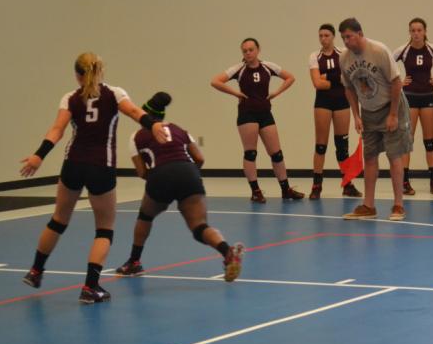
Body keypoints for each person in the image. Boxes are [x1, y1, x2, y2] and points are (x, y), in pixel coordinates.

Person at [20, 52, 167, 304]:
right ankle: (90, 286)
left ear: (77, 75)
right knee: (104, 228)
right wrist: (152, 124)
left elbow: (57, 130)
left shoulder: (70, 98)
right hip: (101, 166)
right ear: (101, 71)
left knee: (58, 220)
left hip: (73, 164)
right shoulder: (115, 93)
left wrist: (38, 155)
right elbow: (134, 112)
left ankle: (35, 271)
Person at [116, 92, 244, 280]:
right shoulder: (179, 130)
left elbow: (142, 172)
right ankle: (227, 251)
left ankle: (134, 262)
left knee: (145, 216)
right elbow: (199, 158)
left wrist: (159, 182)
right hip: (188, 173)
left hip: (161, 175)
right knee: (199, 226)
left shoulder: (136, 136)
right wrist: (188, 175)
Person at [211, 38, 304, 202]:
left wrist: (276, 93)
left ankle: (286, 189)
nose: (248, 53)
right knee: (251, 153)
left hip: (265, 113)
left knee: (276, 153)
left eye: (251, 50)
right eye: (245, 51)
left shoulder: (267, 66)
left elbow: (290, 77)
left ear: (258, 50)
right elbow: (215, 81)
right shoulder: (238, 69)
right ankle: (256, 191)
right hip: (247, 114)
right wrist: (235, 93)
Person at [338, 17, 413, 221]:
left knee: (394, 155)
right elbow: (348, 88)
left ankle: (398, 205)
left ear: (360, 34)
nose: (346, 41)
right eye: (343, 38)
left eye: (349, 37)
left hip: (391, 106)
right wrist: (356, 115)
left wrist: (393, 114)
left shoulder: (378, 51)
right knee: (370, 157)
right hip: (369, 111)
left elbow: (396, 82)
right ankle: (368, 206)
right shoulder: (344, 58)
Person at [393, 18, 433, 195]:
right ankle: (405, 182)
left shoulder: (432, 48)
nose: (416, 33)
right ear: (409, 32)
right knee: (407, 139)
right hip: (409, 97)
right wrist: (399, 82)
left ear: (425, 31)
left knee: (430, 140)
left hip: (428, 97)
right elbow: (386, 66)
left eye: (419, 30)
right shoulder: (403, 50)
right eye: (413, 30)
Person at [308, 23, 362, 199]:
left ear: (333, 37)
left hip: (341, 102)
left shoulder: (343, 54)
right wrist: (337, 79)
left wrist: (327, 77)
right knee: (320, 146)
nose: (323, 39)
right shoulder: (314, 56)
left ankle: (347, 184)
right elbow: (317, 83)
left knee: (342, 147)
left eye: (326, 35)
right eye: (320, 36)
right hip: (323, 103)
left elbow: (350, 78)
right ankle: (317, 185)